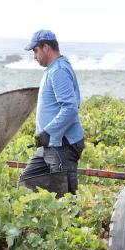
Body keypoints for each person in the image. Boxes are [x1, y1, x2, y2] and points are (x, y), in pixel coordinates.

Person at [17, 29, 85, 196]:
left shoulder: (59, 70)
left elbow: (70, 108)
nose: (34, 56)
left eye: (35, 50)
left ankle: (70, 222)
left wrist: (48, 131)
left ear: (46, 47)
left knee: (65, 198)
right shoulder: (53, 69)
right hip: (50, 144)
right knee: (26, 182)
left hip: (62, 145)